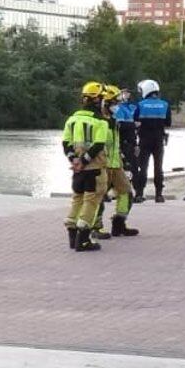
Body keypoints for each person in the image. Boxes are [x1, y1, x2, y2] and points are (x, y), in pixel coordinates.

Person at [62, 82, 112, 251]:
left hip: (77, 170)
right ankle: (83, 240)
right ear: (98, 101)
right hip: (94, 169)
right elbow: (98, 145)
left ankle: (72, 235)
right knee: (91, 202)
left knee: (77, 199)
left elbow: (65, 143)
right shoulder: (101, 122)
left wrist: (74, 161)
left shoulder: (72, 119)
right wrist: (84, 161)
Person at [96, 84, 141, 238]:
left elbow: (119, 143)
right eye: (113, 103)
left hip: (116, 164)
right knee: (98, 196)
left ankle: (119, 224)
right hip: (102, 165)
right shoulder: (98, 122)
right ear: (104, 103)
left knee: (127, 193)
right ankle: (96, 227)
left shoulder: (114, 121)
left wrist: (126, 160)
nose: (116, 106)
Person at [134, 79, 171, 202]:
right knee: (158, 167)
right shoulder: (165, 105)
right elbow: (168, 123)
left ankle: (139, 194)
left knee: (143, 167)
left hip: (144, 139)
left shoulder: (140, 105)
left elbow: (135, 122)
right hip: (159, 139)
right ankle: (159, 194)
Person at [110, 88, 140, 188]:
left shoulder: (130, 107)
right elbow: (119, 125)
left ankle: (134, 191)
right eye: (124, 93)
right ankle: (117, 188)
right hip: (121, 141)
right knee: (123, 166)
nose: (127, 95)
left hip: (131, 140)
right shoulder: (117, 108)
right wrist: (133, 124)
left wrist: (135, 143)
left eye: (128, 93)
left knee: (133, 167)